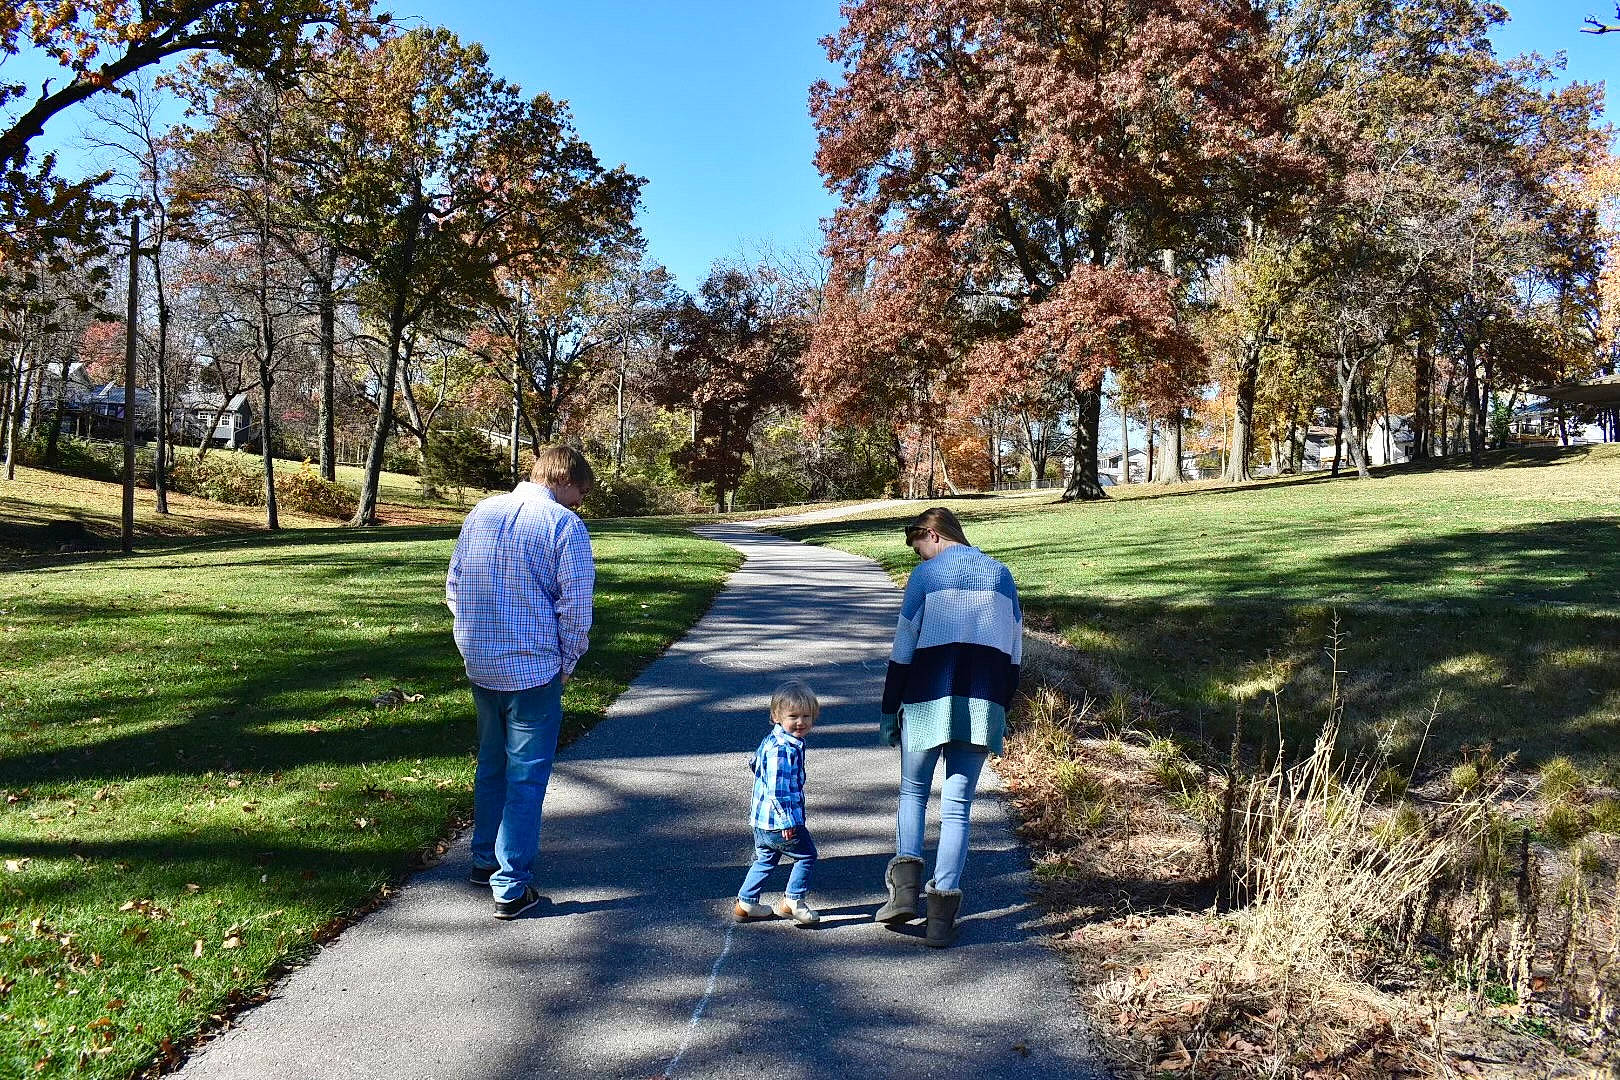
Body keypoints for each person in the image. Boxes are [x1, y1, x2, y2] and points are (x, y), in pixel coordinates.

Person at [445, 444, 595, 920]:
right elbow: (575, 607)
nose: (580, 503)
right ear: (565, 479)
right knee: (526, 777)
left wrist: (472, 638)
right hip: (533, 669)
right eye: (580, 493)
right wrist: (568, 661)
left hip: (481, 663)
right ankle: (511, 886)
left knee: (491, 764)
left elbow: (454, 584)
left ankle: (484, 859)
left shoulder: (482, 512)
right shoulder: (564, 526)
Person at [874, 507, 1021, 947]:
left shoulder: (926, 577)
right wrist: (1001, 705)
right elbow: (1014, 652)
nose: (917, 555)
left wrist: (888, 707)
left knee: (913, 792)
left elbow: (903, 649)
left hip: (924, 700)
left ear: (933, 535)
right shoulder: (1002, 576)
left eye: (917, 545)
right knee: (957, 806)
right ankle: (940, 917)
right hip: (981, 705)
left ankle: (903, 894)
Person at [734, 680, 822, 928]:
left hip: (761, 822)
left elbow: (754, 764)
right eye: (793, 716)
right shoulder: (783, 750)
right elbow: (778, 791)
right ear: (776, 716)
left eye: (807, 716)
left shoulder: (772, 741)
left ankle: (747, 902)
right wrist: (788, 820)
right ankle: (793, 901)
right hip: (780, 822)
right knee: (806, 856)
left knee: (765, 859)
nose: (801, 722)